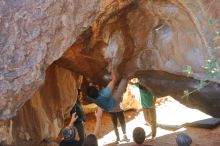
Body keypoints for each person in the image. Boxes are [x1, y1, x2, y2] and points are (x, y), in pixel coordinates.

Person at [86, 67, 129, 143]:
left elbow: (90, 89)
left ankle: (119, 137)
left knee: (116, 123)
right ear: (97, 89)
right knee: (124, 80)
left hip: (107, 107)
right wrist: (112, 69)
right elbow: (114, 80)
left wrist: (90, 81)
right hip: (113, 102)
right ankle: (127, 75)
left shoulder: (90, 97)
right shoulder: (104, 94)